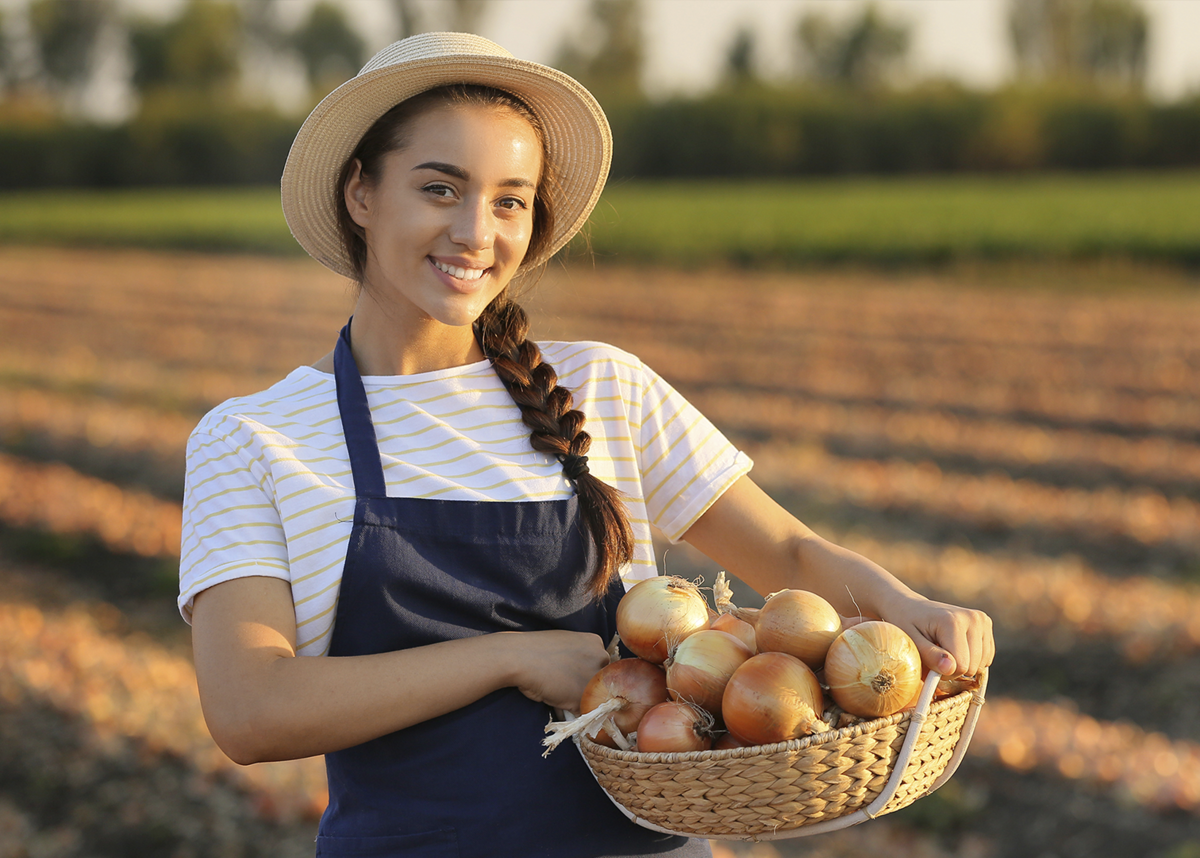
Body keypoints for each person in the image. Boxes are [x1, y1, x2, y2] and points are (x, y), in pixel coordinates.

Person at [180, 32, 994, 858]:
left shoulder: (604, 389)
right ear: (360, 192)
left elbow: (786, 548)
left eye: (510, 200)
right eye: (439, 188)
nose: (474, 232)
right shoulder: (257, 440)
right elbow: (251, 711)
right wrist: (508, 660)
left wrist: (907, 607)